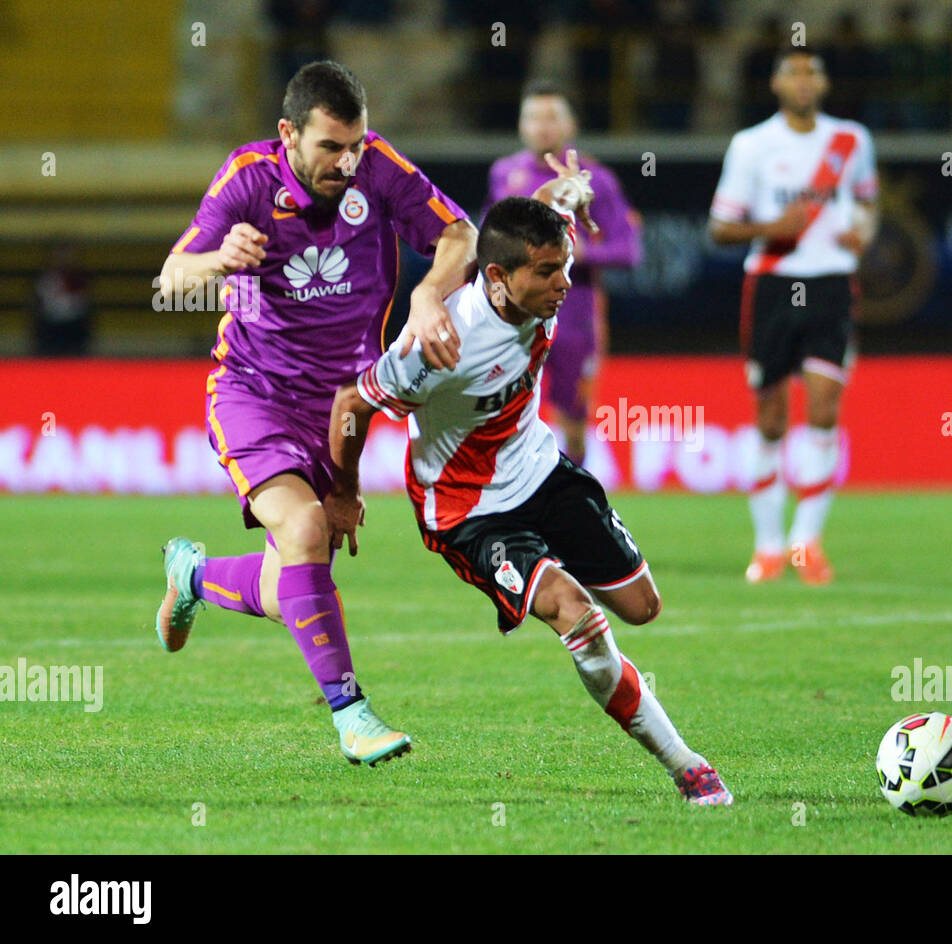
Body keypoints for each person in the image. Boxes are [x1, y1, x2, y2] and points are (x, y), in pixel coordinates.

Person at [325, 157, 732, 804]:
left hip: (541, 470)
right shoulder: (439, 342)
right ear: (497, 277)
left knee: (643, 607)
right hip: (469, 511)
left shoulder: (537, 256)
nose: (563, 283)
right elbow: (351, 405)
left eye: (565, 265)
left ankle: (546, 598)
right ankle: (688, 767)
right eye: (547, 273)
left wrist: (574, 189)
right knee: (580, 616)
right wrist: (343, 494)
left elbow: (549, 202)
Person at [152, 60, 477, 767]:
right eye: (330, 147)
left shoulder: (379, 170)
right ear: (288, 135)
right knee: (302, 529)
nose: (347, 162)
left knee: (286, 584)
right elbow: (172, 276)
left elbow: (460, 235)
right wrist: (217, 261)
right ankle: (353, 717)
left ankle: (194, 577)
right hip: (254, 391)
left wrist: (429, 299)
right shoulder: (247, 178)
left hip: (342, 403)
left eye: (355, 144)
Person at [708, 48, 877, 585]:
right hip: (773, 286)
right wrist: (772, 226)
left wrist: (865, 233)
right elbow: (719, 228)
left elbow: (869, 205)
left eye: (813, 71)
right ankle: (768, 546)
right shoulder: (752, 145)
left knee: (825, 410)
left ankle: (807, 543)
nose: (804, 81)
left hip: (831, 283)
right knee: (770, 418)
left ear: (824, 83)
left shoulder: (852, 140)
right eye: (793, 72)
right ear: (776, 84)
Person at [486, 80, 641, 467]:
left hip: (575, 316)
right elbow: (488, 240)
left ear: (571, 125)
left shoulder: (596, 180)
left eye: (552, 117)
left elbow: (628, 249)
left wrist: (579, 253)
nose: (542, 126)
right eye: (533, 117)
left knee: (573, 420)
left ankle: (573, 502)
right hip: (514, 319)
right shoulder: (505, 174)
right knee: (505, 413)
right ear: (521, 125)